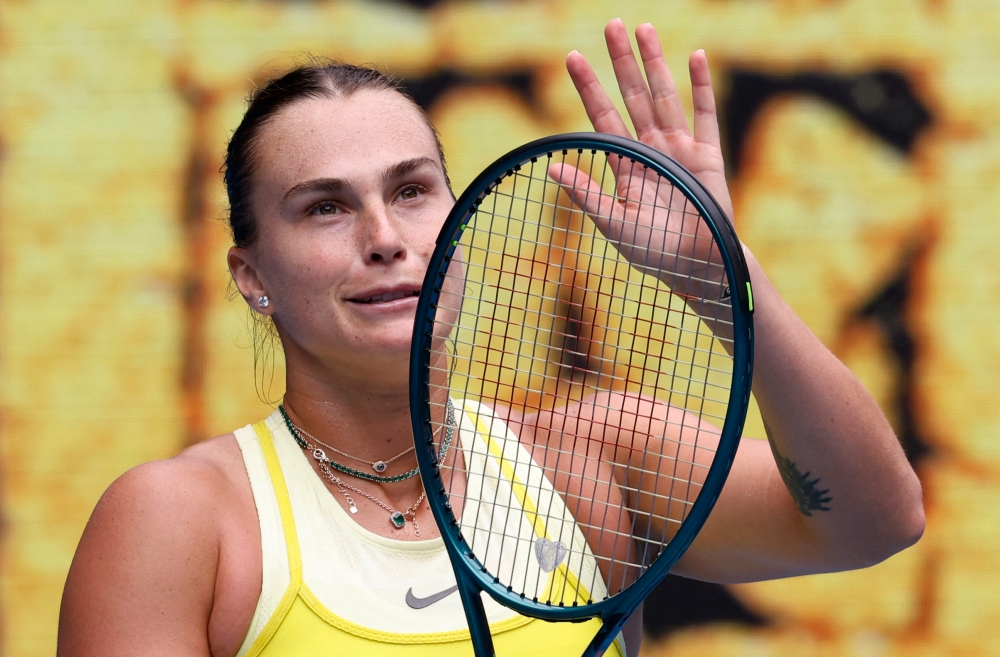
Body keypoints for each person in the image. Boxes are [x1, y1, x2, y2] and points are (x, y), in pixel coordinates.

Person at [57, 18, 924, 657]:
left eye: (412, 191)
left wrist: (726, 279)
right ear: (253, 277)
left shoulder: (589, 459)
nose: (384, 236)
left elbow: (874, 520)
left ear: (458, 220)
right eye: (325, 205)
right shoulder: (180, 520)